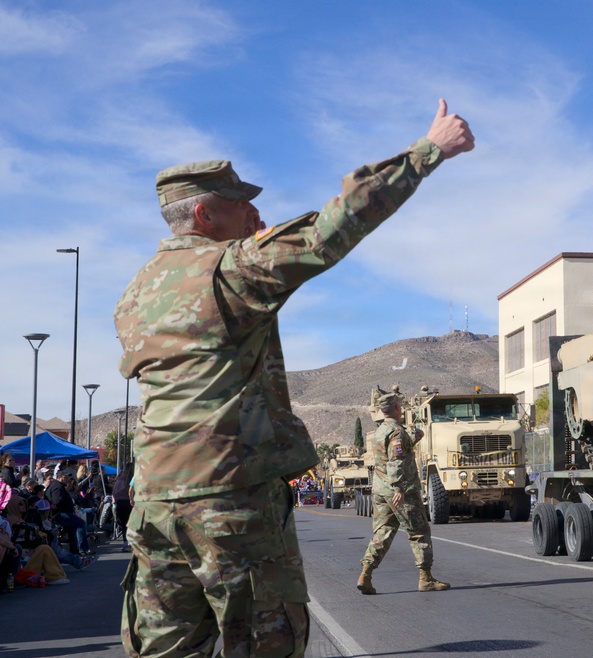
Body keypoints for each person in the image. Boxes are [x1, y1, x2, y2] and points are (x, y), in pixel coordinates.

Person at [113, 99, 473, 657]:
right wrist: (428, 152)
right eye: (241, 204)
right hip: (231, 502)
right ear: (205, 215)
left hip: (154, 505)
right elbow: (331, 229)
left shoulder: (135, 294)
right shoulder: (233, 269)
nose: (255, 214)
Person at [358, 391, 449, 595]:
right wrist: (399, 488)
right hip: (401, 492)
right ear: (397, 408)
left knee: (382, 533)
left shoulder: (380, 431)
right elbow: (396, 461)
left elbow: (392, 452)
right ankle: (426, 579)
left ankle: (366, 574)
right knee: (419, 532)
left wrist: (413, 439)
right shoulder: (397, 432)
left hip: (381, 490)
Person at [43, 471, 90, 556]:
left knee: (72, 529)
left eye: (68, 478)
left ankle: (75, 550)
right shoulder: (57, 487)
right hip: (59, 514)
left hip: (63, 512)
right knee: (81, 524)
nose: (67, 480)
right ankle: (83, 549)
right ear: (59, 477)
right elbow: (57, 501)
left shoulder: (57, 485)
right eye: (65, 477)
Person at [112, 464, 134, 552]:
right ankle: (132, 542)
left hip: (120, 503)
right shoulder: (132, 479)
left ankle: (125, 543)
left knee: (124, 524)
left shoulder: (119, 479)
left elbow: (114, 492)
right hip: (130, 502)